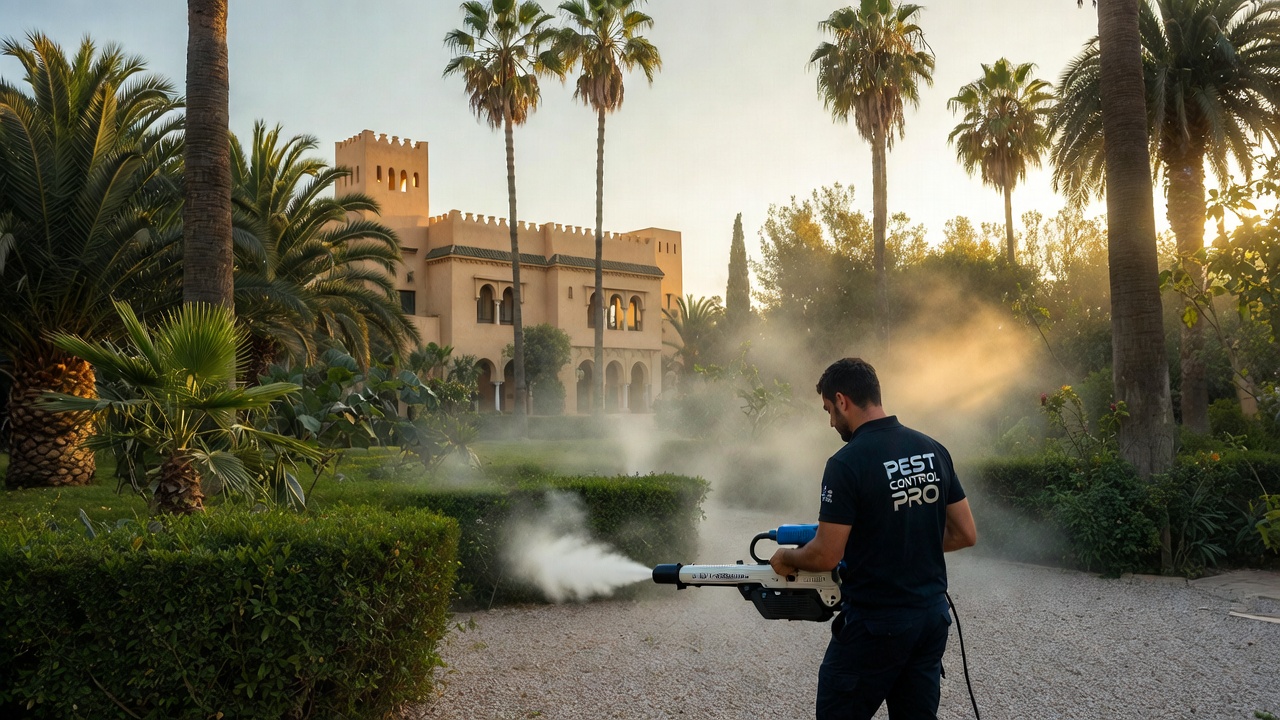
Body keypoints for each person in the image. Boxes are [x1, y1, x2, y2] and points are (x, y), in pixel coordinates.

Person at [770, 357, 977, 720]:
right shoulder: (933, 450)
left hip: (876, 626)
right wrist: (901, 539)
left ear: (842, 399)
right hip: (931, 620)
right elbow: (965, 533)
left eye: (829, 410)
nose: (831, 421)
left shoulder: (847, 462)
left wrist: (786, 558)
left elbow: (825, 555)